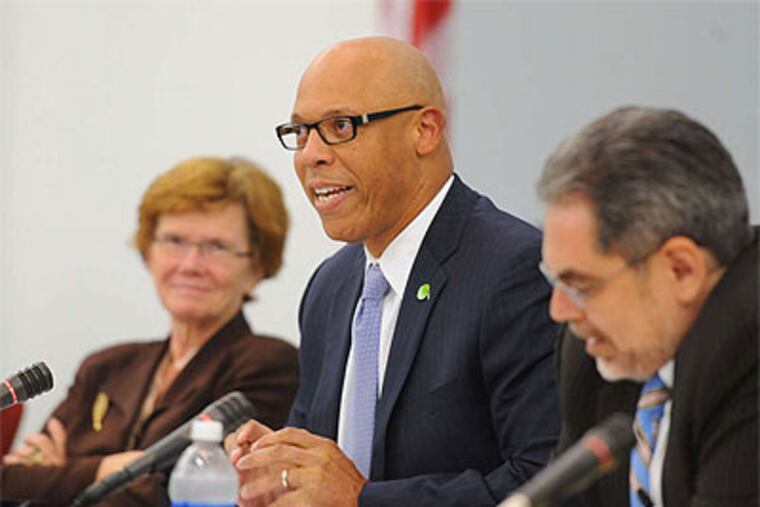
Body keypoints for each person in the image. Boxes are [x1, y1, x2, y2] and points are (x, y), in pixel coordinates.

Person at [228, 37, 560, 507]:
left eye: (340, 126)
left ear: (424, 130)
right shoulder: (330, 287)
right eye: (301, 132)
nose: (310, 155)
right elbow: (325, 473)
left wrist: (364, 499)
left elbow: (548, 482)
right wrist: (280, 466)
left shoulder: (512, 269)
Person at [1, 156, 300, 506]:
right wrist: (102, 470)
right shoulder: (105, 367)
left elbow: (177, 492)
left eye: (216, 247)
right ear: (148, 251)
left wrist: (62, 471)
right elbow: (9, 481)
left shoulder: (267, 364)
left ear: (256, 267)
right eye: (174, 241)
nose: (190, 265)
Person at [537, 106, 758, 506]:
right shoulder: (594, 359)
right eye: (557, 281)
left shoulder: (748, 343)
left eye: (580, 285)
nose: (561, 311)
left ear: (681, 269)